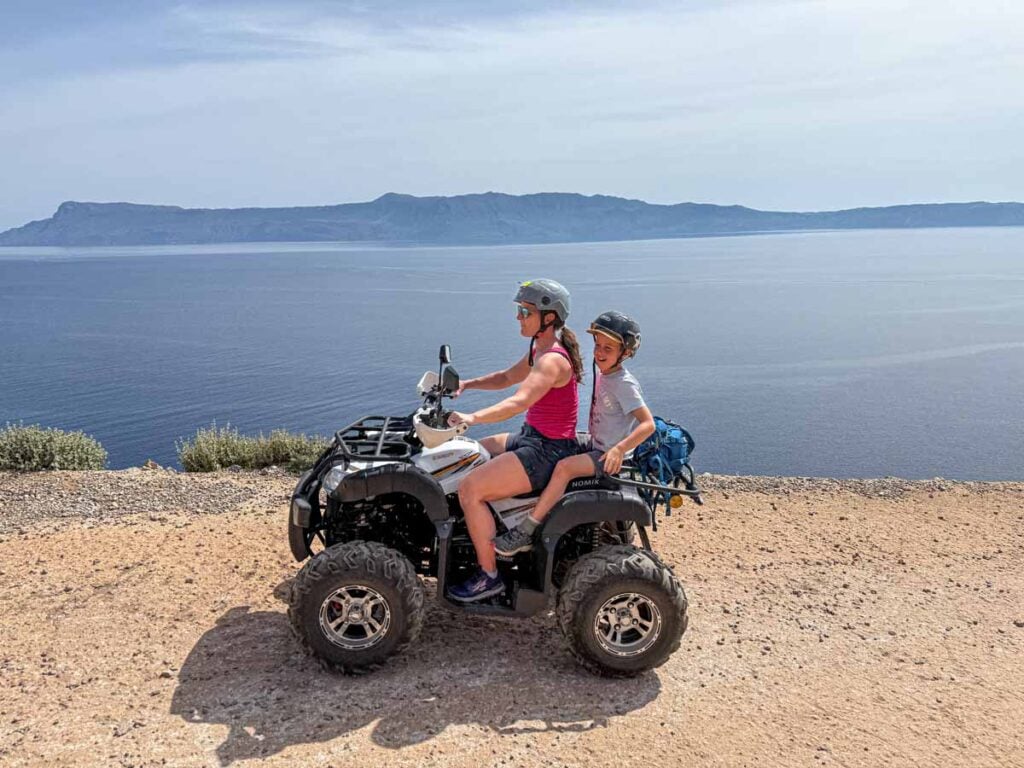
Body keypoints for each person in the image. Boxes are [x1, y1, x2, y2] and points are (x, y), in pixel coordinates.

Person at [444, 279, 584, 602]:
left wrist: (472, 417)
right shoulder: (540, 348)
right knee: (472, 453)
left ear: (549, 318)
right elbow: (508, 378)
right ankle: (482, 528)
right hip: (531, 438)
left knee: (470, 488)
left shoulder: (552, 361)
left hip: (546, 451)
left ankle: (488, 576)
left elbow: (518, 402)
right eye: (519, 311)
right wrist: (467, 384)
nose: (518, 317)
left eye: (525, 312)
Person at [493, 311, 655, 556]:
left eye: (608, 349)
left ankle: (527, 528)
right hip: (597, 444)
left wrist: (619, 449)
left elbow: (648, 424)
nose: (599, 352)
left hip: (606, 455)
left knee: (564, 468)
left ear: (626, 352)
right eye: (598, 345)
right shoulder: (607, 374)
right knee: (561, 443)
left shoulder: (624, 384)